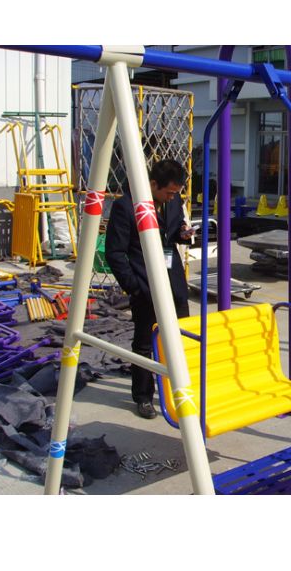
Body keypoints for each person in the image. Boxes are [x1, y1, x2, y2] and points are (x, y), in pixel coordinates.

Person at [105, 159, 195, 419]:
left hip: (173, 281)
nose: (172, 197)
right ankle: (143, 397)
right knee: (145, 343)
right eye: (169, 192)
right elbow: (115, 253)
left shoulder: (172, 201)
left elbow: (173, 230)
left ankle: (179, 390)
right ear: (153, 184)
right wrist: (135, 287)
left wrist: (183, 233)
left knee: (181, 338)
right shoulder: (126, 206)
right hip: (145, 285)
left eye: (176, 193)